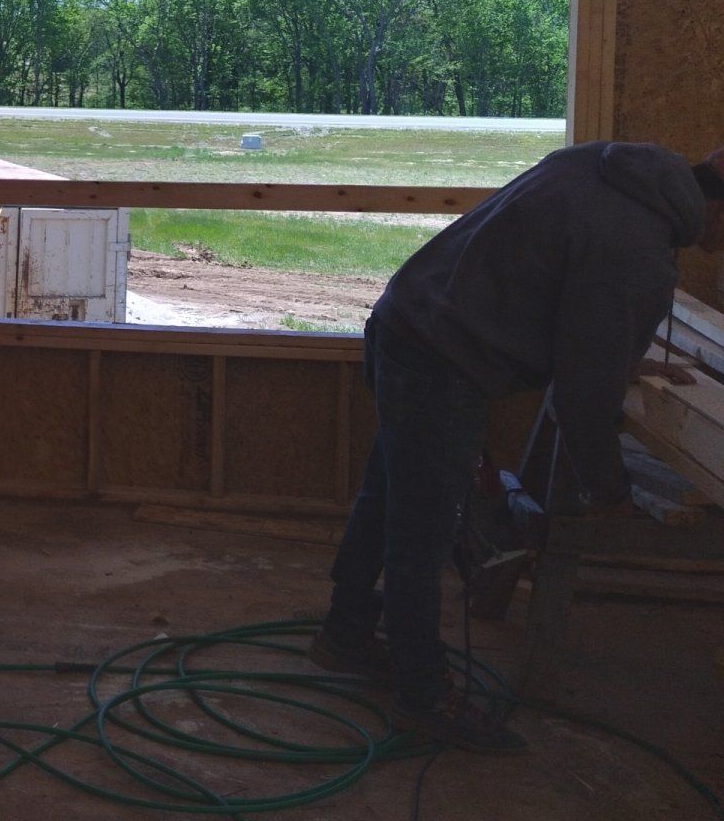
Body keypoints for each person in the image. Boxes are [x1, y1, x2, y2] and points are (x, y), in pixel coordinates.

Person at [309, 141, 724, 752]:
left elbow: (562, 295)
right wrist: (610, 491)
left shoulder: (601, 165)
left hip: (406, 318)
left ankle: (344, 631)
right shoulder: (637, 244)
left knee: (391, 490)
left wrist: (612, 361)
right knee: (422, 533)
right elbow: (582, 399)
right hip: (444, 358)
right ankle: (424, 693)